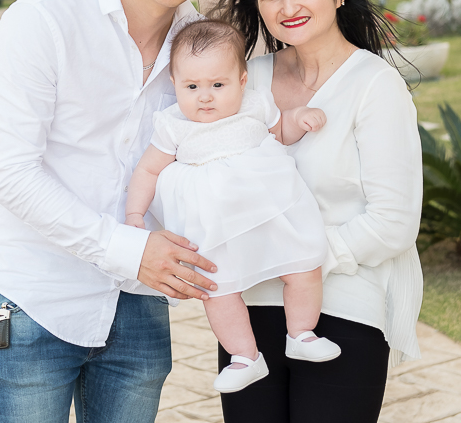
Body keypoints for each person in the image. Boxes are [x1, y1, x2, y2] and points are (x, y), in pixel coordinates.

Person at [0, 0, 240, 423]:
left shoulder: (199, 46)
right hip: (33, 298)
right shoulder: (42, 21)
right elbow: (11, 174)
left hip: (141, 307)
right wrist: (128, 249)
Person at [215, 0, 423, 423]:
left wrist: (298, 263)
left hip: (343, 311)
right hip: (249, 320)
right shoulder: (244, 82)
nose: (288, 5)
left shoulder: (373, 85)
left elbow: (394, 222)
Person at [125, 19, 338, 394]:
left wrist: (299, 119)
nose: (205, 97)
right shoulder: (174, 125)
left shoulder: (254, 105)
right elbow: (148, 169)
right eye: (192, 87)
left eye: (217, 85)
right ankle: (244, 356)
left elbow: (280, 131)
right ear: (174, 85)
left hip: (272, 214)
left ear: (241, 81)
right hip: (217, 230)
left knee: (304, 264)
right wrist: (133, 213)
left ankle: (302, 332)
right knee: (218, 290)